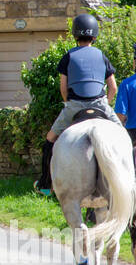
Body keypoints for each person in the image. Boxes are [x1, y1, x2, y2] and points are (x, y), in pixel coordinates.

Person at [35, 13, 122, 196]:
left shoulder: (68, 56)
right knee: (124, 136)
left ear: (74, 35)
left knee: (50, 139)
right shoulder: (101, 55)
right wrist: (105, 103)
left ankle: (44, 183)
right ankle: (135, 177)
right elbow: (113, 87)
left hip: (75, 105)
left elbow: (63, 88)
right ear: (95, 36)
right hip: (100, 104)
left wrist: (69, 104)